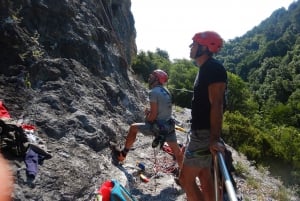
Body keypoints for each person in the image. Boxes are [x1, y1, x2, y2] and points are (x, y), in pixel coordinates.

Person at [178, 31, 227, 201]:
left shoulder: (213, 68)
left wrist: (214, 138)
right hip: (200, 133)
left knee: (185, 179)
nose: (191, 46)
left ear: (205, 48)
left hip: (204, 135)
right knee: (205, 178)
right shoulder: (204, 69)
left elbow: (217, 104)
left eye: (194, 43)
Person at [113, 69, 183, 169]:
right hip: (169, 126)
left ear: (157, 79)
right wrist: (152, 113)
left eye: (152, 76)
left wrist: (148, 117)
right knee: (177, 151)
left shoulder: (153, 92)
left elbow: (153, 116)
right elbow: (162, 109)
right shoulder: (166, 91)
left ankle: (122, 155)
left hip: (159, 127)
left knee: (133, 128)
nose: (149, 77)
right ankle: (184, 175)